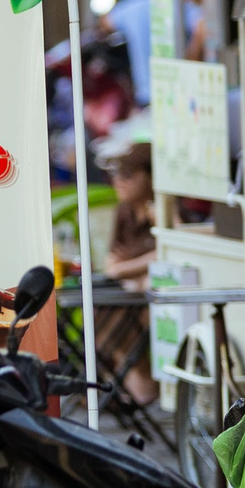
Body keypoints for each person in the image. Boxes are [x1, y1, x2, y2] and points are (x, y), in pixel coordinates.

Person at [98, 142, 158, 405]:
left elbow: (171, 253)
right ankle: (130, 379)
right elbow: (112, 262)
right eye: (116, 175)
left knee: (119, 308)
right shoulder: (124, 211)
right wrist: (137, 268)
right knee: (101, 308)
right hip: (130, 292)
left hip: (148, 297)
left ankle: (139, 384)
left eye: (128, 175)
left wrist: (127, 268)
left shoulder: (163, 210)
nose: (118, 182)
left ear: (151, 177)